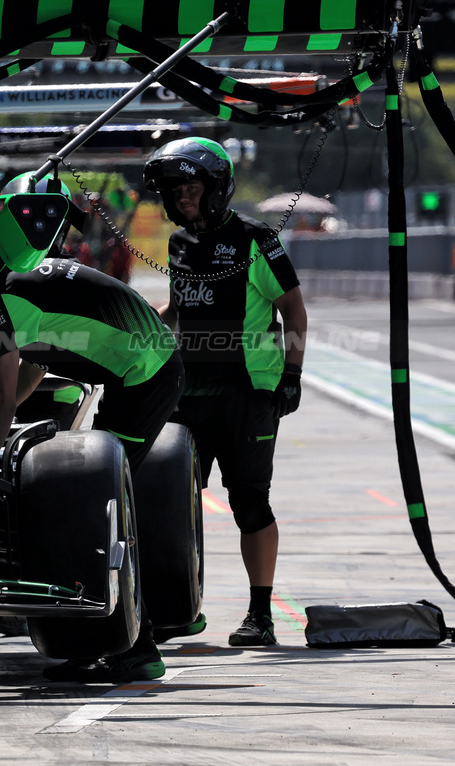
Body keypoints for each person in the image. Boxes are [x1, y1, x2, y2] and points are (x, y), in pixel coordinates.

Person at [0, 174, 184, 683]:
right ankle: (95, 639)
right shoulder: (23, 277)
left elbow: (3, 402)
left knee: (96, 509)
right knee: (90, 501)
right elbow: (35, 366)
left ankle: (138, 648)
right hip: (143, 371)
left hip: (146, 377)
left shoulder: (4, 308)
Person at [144, 137, 307, 648]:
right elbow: (178, 309)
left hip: (247, 394)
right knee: (169, 501)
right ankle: (171, 610)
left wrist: (292, 375)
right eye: (173, 192)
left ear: (216, 187)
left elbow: (293, 309)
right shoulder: (178, 243)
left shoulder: (256, 240)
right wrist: (137, 324)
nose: (181, 198)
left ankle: (261, 615)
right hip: (187, 394)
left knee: (250, 503)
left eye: (189, 188)